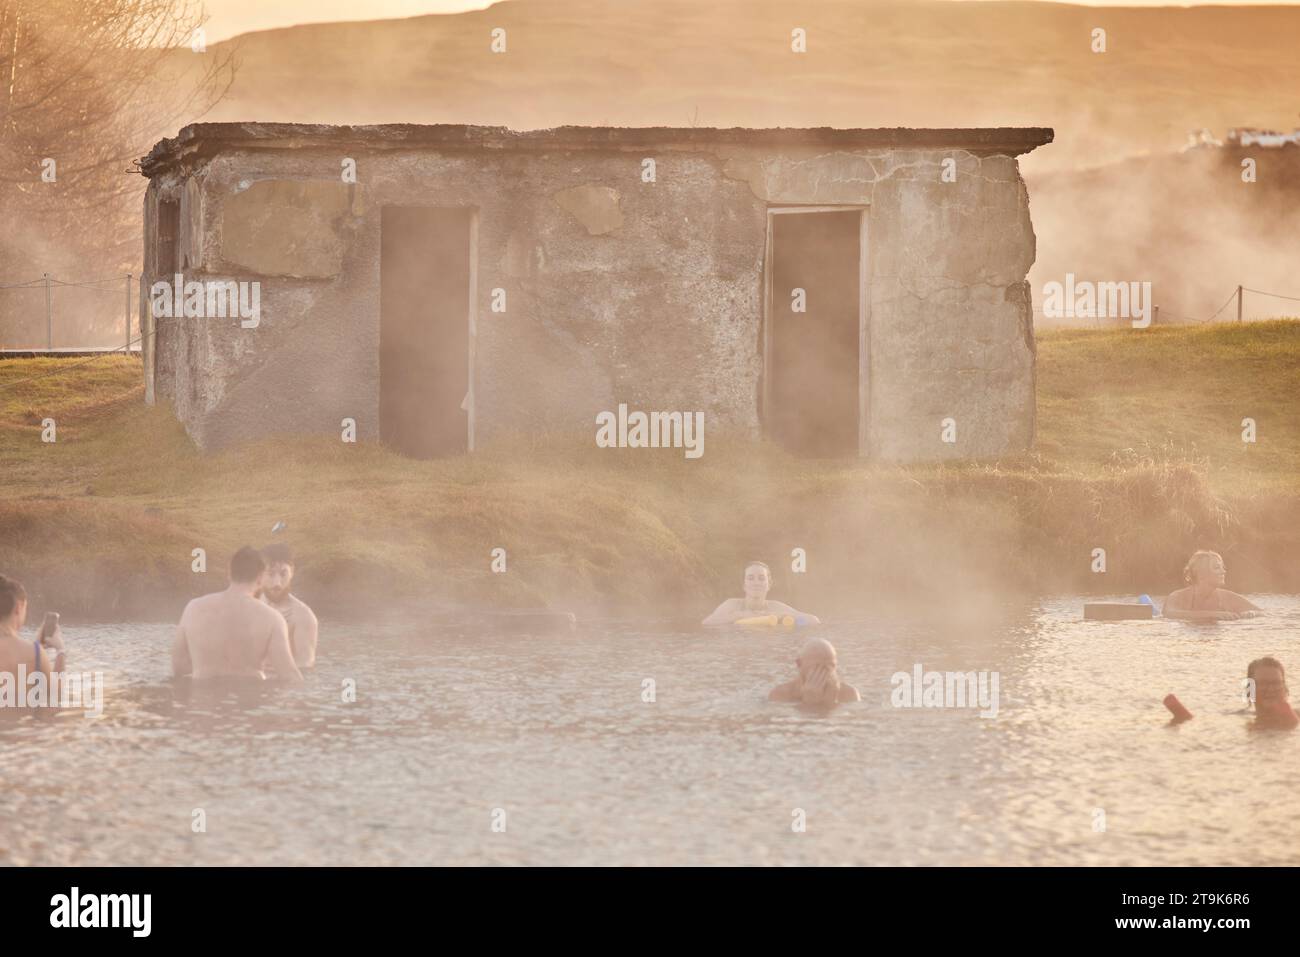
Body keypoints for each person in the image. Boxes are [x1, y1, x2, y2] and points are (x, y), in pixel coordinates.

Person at [173, 547, 302, 683]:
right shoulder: (272, 618)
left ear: (230, 574)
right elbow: (289, 676)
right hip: (249, 700)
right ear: (260, 577)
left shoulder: (193, 608)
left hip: (203, 699)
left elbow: (179, 667)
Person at [0, 574, 65, 702]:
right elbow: (54, 703)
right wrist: (60, 652)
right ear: (19, 607)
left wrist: (37, 646)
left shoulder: (34, 653)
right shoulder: (33, 654)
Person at [702, 561, 821, 626]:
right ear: (744, 585)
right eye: (751, 578)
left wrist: (783, 616)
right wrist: (739, 615)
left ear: (769, 584)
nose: (756, 582)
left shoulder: (776, 607)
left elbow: (813, 621)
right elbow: (707, 623)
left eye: (761, 578)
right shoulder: (732, 605)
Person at [259, 543, 318, 669]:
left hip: (283, 685)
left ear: (292, 572)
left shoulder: (302, 615)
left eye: (283, 574)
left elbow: (305, 663)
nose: (277, 583)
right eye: (270, 574)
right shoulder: (248, 608)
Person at [1161, 550, 1262, 621]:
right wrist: (1213, 614)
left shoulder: (1228, 597)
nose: (1223, 571)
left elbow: (1261, 612)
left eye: (1223, 567)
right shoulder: (1178, 596)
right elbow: (1169, 613)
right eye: (1217, 567)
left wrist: (1251, 613)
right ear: (1201, 573)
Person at [769, 638, 860, 706]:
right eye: (817, 667)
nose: (824, 673)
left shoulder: (849, 693)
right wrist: (809, 704)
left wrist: (832, 703)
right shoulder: (780, 694)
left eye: (830, 666)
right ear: (799, 664)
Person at [1245, 657, 1299, 730]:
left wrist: (1293, 724)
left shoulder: (1295, 719)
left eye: (1276, 683)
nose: (1271, 689)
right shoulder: (1238, 720)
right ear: (1250, 690)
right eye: (1263, 683)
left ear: (1285, 688)